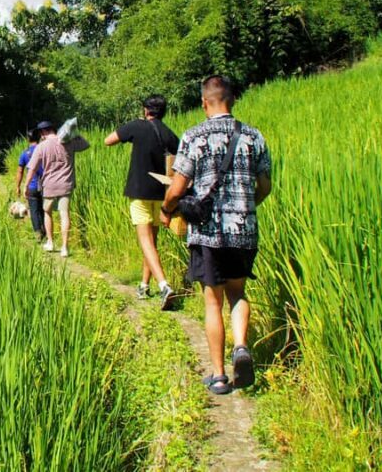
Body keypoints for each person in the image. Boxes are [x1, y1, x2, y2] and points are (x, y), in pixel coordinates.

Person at [160, 75, 272, 395]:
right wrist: (246, 207)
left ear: (204, 102)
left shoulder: (194, 136)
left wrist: (168, 210)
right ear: (231, 99)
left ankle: (219, 376)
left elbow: (178, 188)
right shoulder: (254, 136)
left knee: (213, 301)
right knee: (238, 292)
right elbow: (264, 186)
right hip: (244, 230)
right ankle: (240, 347)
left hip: (208, 232)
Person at [104, 95, 180, 310]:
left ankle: (164, 285)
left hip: (140, 190)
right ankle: (144, 285)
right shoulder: (169, 134)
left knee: (145, 241)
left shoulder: (137, 126)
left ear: (146, 110)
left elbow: (108, 140)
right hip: (163, 193)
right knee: (152, 243)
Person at [25, 120, 90, 258]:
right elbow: (86, 145)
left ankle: (50, 242)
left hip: (49, 185)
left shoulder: (41, 146)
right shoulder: (69, 142)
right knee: (64, 214)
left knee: (47, 212)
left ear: (43, 132)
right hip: (66, 184)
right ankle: (65, 248)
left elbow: (32, 168)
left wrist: (26, 185)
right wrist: (74, 133)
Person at [15, 128, 45, 241]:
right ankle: (45, 230)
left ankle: (38, 232)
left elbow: (20, 171)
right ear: (39, 137)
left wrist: (18, 186)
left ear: (28, 139)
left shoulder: (24, 154)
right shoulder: (44, 150)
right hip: (45, 185)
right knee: (44, 209)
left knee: (34, 210)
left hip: (31, 186)